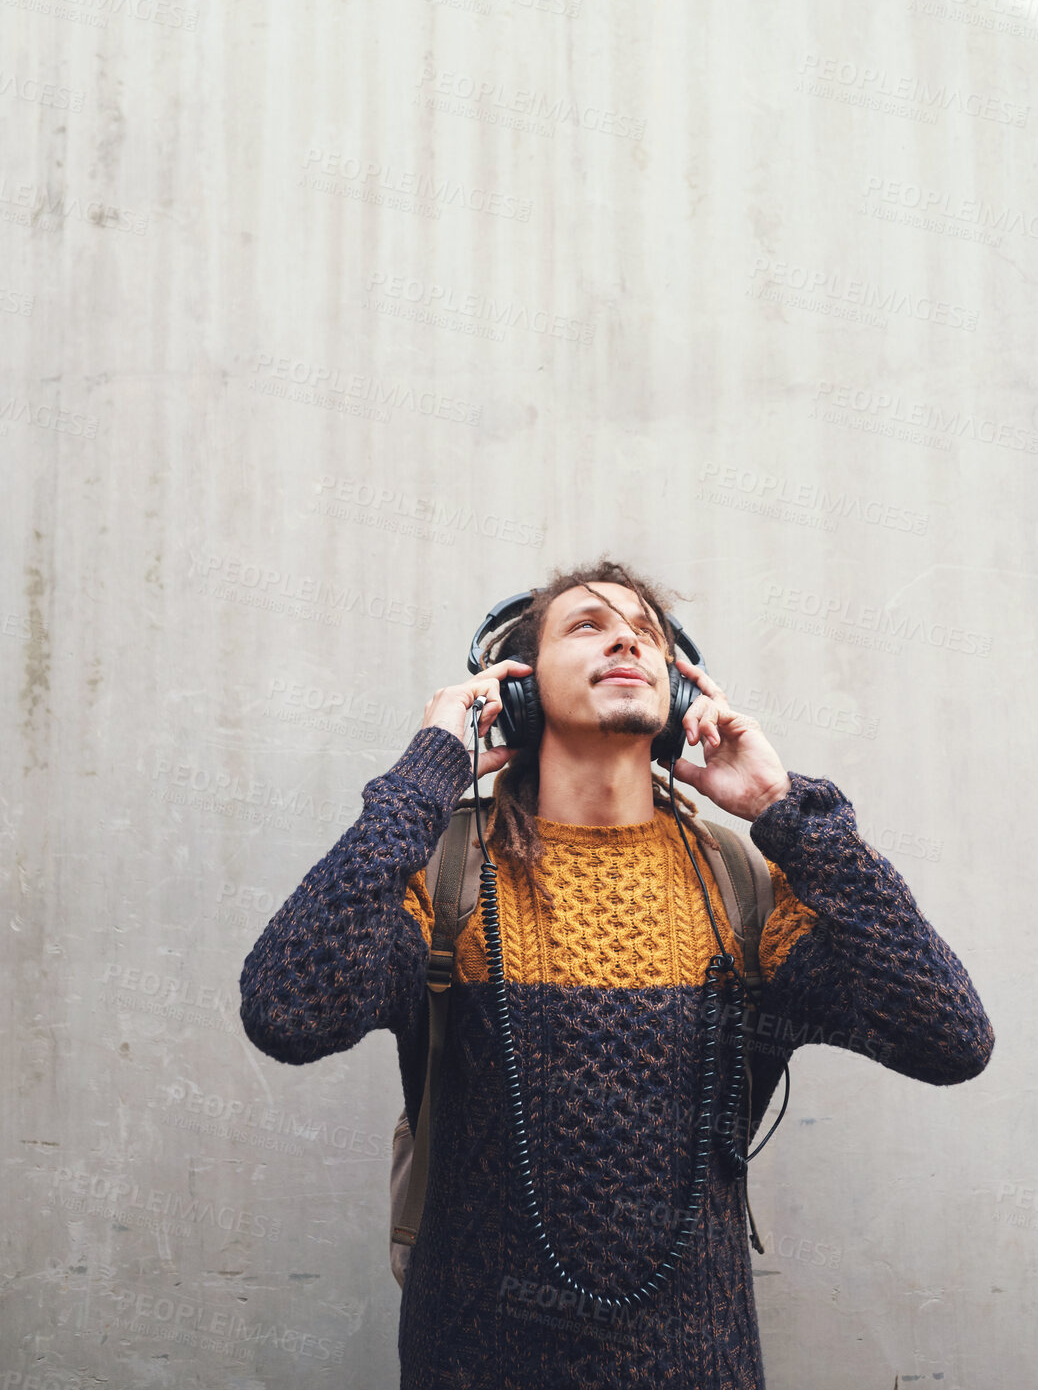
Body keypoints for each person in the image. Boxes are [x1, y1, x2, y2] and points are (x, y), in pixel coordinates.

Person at [239, 557, 994, 1389]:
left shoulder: (740, 889)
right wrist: (426, 776)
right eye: (587, 624)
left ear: (677, 691)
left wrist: (788, 814)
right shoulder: (447, 874)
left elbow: (950, 1034)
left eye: (646, 629)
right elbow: (287, 1006)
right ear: (514, 689)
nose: (627, 636)